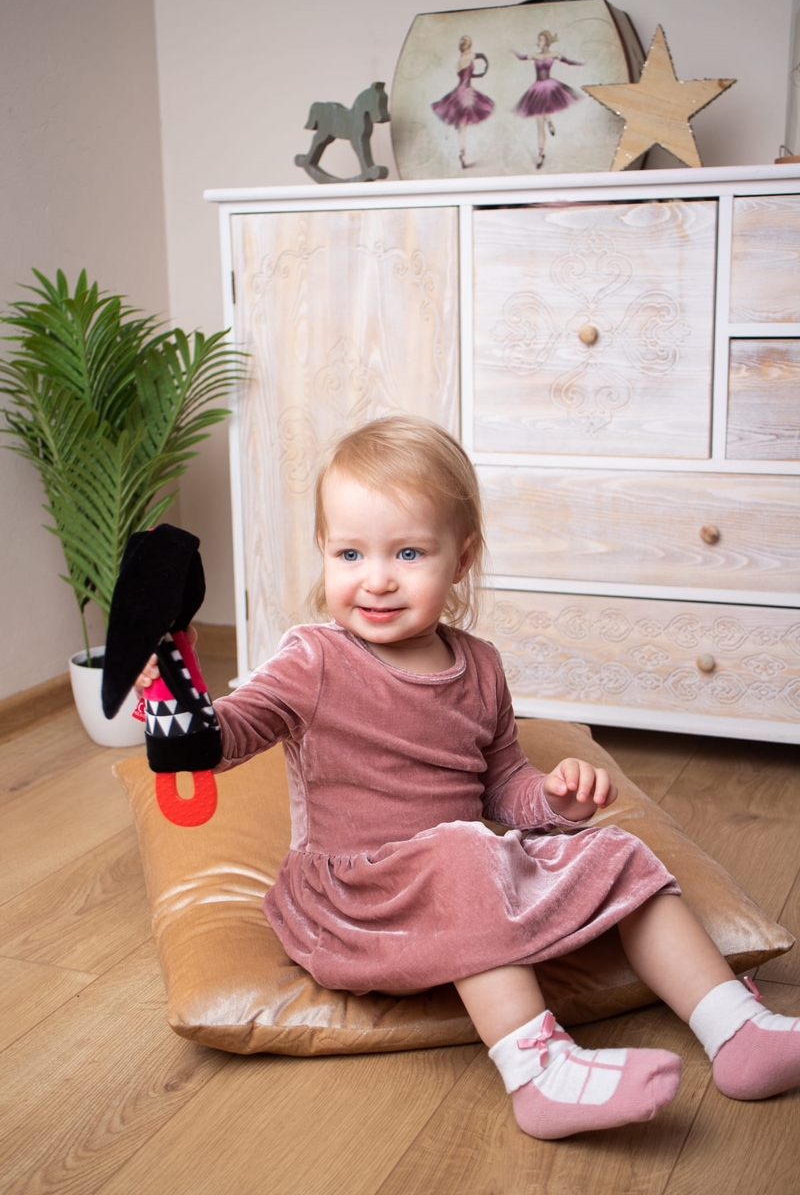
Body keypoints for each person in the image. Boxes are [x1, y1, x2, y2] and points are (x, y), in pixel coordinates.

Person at [137, 415, 800, 1141]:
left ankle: (736, 1028)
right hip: (355, 901)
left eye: (409, 552)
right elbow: (234, 731)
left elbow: (502, 786)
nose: (377, 579)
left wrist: (554, 797)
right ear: (324, 550)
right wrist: (181, 713)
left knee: (619, 851)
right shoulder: (315, 659)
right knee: (464, 856)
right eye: (350, 553)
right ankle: (541, 1073)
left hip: (468, 868)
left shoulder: (480, 666)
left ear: (462, 558)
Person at [512, 30, 584, 169]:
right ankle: (541, 152)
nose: (538, 42)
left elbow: (568, 62)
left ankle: (549, 122)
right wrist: (512, 50)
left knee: (545, 108)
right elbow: (521, 57)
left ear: (546, 41)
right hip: (538, 88)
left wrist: (581, 63)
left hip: (549, 86)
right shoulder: (535, 55)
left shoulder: (554, 54)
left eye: (540, 40)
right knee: (540, 124)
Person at [431, 35, 494, 169]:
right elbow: (482, 56)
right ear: (468, 47)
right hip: (466, 94)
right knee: (476, 112)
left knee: (462, 127)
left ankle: (462, 154)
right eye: (470, 47)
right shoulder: (469, 57)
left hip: (459, 92)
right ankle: (462, 155)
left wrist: (478, 74)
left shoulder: (459, 61)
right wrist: (484, 70)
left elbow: (465, 76)